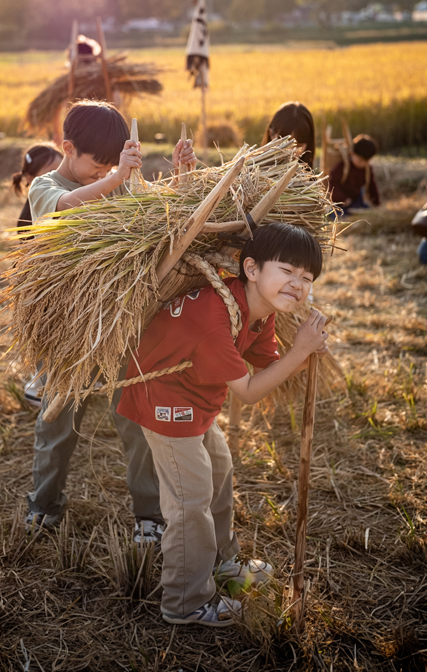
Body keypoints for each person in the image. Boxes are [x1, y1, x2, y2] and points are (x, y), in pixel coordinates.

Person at [117, 222, 329, 627]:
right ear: (251, 268)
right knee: (189, 502)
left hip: (196, 400)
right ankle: (185, 601)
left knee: (220, 469)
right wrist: (300, 350)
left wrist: (306, 351)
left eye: (306, 278)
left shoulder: (255, 309)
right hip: (167, 404)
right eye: (286, 271)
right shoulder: (213, 317)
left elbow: (268, 359)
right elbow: (247, 391)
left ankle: (223, 560)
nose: (297, 284)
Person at [25, 101, 196, 545]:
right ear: (67, 148)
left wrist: (181, 175)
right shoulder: (46, 186)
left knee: (136, 423)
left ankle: (149, 514)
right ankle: (43, 508)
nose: (101, 173)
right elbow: (61, 209)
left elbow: (164, 218)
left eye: (110, 165)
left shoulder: (120, 187)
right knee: (56, 423)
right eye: (96, 165)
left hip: (122, 330)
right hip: (66, 335)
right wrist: (115, 177)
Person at [12, 144, 63, 407]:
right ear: (32, 179)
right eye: (51, 171)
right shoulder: (35, 210)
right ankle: (39, 379)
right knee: (44, 334)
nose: (58, 176)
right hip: (40, 285)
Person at [328, 134, 379, 214]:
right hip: (340, 204)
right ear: (352, 153)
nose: (363, 164)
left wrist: (377, 204)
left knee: (369, 212)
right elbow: (332, 184)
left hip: (356, 201)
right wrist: (343, 199)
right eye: (360, 160)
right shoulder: (342, 166)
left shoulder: (367, 169)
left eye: (366, 162)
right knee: (338, 216)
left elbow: (372, 186)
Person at [261, 102, 315, 169]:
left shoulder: (310, 178)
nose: (291, 152)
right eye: (285, 144)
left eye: (299, 146)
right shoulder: (252, 174)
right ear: (271, 134)